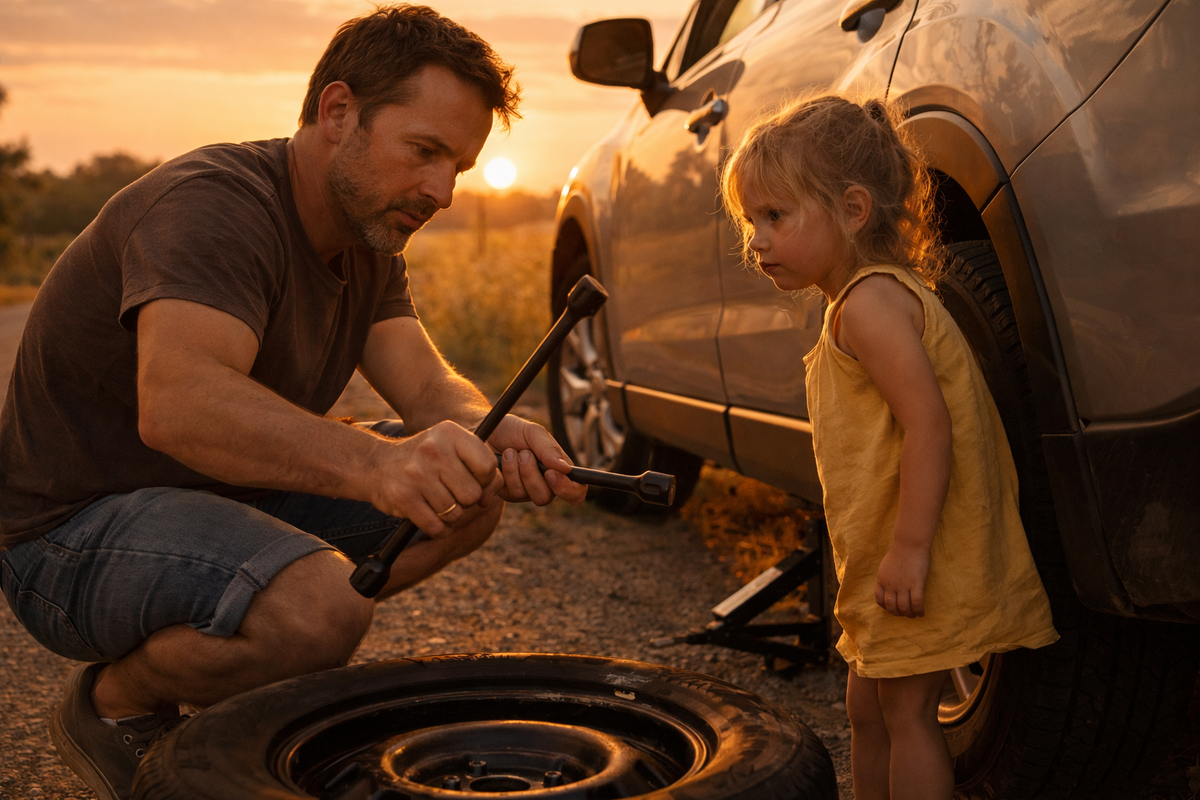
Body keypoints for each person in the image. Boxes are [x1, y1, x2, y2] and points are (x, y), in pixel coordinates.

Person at [0, 6, 586, 799]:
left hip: (203, 499)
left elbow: (424, 385)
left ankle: (241, 655)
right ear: (337, 112)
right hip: (67, 534)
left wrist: (492, 430)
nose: (442, 190)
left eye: (460, 166)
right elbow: (179, 404)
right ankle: (116, 703)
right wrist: (378, 467)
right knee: (319, 610)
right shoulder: (215, 206)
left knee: (464, 491)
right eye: (424, 152)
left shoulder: (368, 232)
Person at [720, 95, 1059, 800]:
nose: (757, 240)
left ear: (852, 209)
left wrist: (909, 548)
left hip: (917, 550)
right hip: (890, 549)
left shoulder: (871, 306)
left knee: (907, 712)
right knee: (866, 706)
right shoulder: (859, 300)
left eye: (776, 217)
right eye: (753, 220)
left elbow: (928, 424)